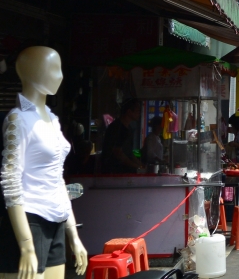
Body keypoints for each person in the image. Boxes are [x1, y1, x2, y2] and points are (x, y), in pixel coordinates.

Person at [0, 47, 87, 277]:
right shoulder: (19, 120)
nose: (60, 76)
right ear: (33, 72)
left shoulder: (53, 119)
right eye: (54, 69)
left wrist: (73, 234)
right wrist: (26, 244)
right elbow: (10, 181)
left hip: (56, 219)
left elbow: (56, 179)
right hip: (30, 220)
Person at [101, 98, 144, 174]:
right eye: (137, 111)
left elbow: (129, 152)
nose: (139, 114)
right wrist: (136, 166)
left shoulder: (129, 128)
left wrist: (140, 165)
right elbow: (118, 154)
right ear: (129, 112)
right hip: (114, 172)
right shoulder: (117, 128)